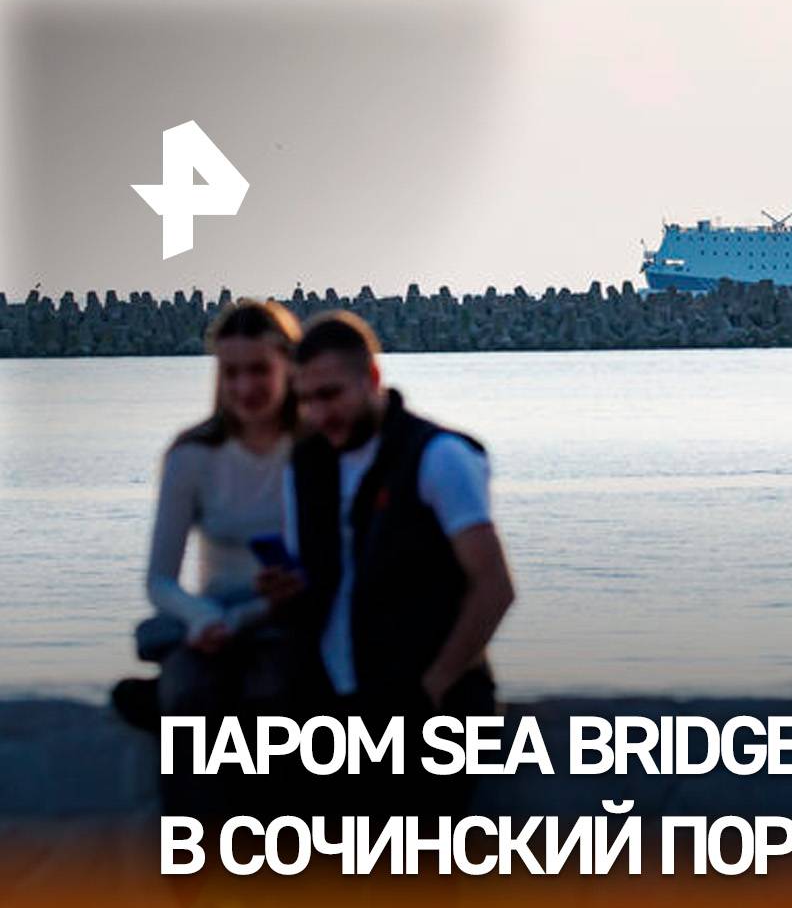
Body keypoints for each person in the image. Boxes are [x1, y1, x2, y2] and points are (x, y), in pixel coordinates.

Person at [257, 310, 515, 818]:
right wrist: (283, 591)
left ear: (372, 378)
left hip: (432, 712)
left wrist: (432, 688)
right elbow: (321, 585)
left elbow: (494, 588)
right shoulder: (304, 466)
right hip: (330, 711)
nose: (319, 413)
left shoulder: (438, 456)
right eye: (306, 400)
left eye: (331, 395)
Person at [144, 298, 303, 814]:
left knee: (273, 696)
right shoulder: (192, 455)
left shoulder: (314, 450)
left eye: (258, 370)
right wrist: (202, 618)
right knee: (187, 697)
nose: (244, 387)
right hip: (210, 625)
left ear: (287, 367)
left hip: (288, 619)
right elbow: (159, 580)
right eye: (231, 373)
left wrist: (255, 613)